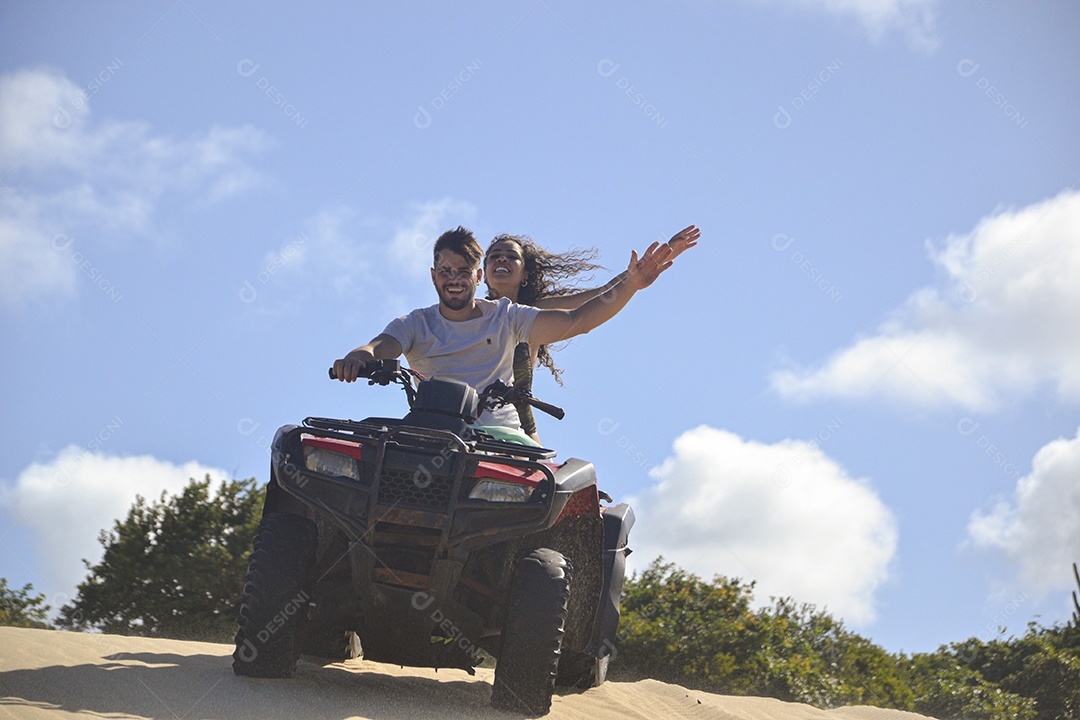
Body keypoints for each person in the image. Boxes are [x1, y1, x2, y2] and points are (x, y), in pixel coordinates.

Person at [332, 225, 693, 438]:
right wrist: (357, 358)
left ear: (477, 277)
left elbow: (578, 318)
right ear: (433, 276)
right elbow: (380, 346)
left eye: (463, 272)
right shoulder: (416, 323)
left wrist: (631, 283)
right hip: (434, 431)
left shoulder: (511, 315)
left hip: (503, 432)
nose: (454, 279)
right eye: (445, 271)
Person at [483, 226, 701, 438]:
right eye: (494, 256)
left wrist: (647, 268)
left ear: (525, 274)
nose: (502, 259)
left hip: (518, 424)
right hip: (471, 415)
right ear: (482, 274)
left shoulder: (535, 312)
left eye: (512, 256)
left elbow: (601, 297)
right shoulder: (470, 313)